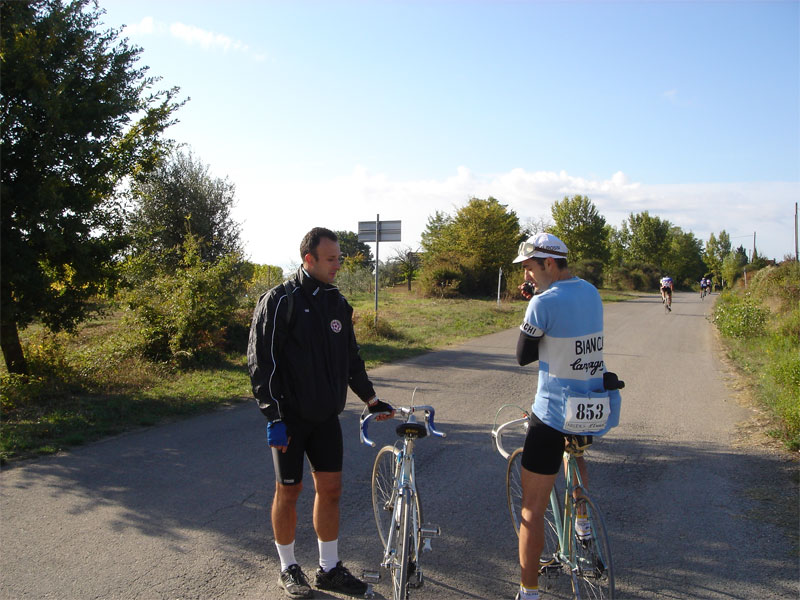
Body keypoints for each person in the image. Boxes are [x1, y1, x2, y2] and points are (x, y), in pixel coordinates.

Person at [247, 227, 394, 599]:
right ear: (308, 259)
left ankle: (329, 568)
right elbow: (262, 364)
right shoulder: (280, 300)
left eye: (339, 258)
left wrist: (370, 399)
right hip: (290, 419)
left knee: (331, 490)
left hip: (326, 417)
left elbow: (350, 358)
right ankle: (288, 566)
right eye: (331, 259)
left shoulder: (337, 303)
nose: (338, 265)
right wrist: (274, 417)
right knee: (289, 490)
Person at [512, 232, 622, 600]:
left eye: (529, 268)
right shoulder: (591, 292)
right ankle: (583, 525)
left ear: (547, 263)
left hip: (554, 413)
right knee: (574, 454)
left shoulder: (542, 303)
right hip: (594, 409)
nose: (527, 277)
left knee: (532, 509)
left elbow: (523, 355)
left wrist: (534, 303)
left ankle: (528, 592)